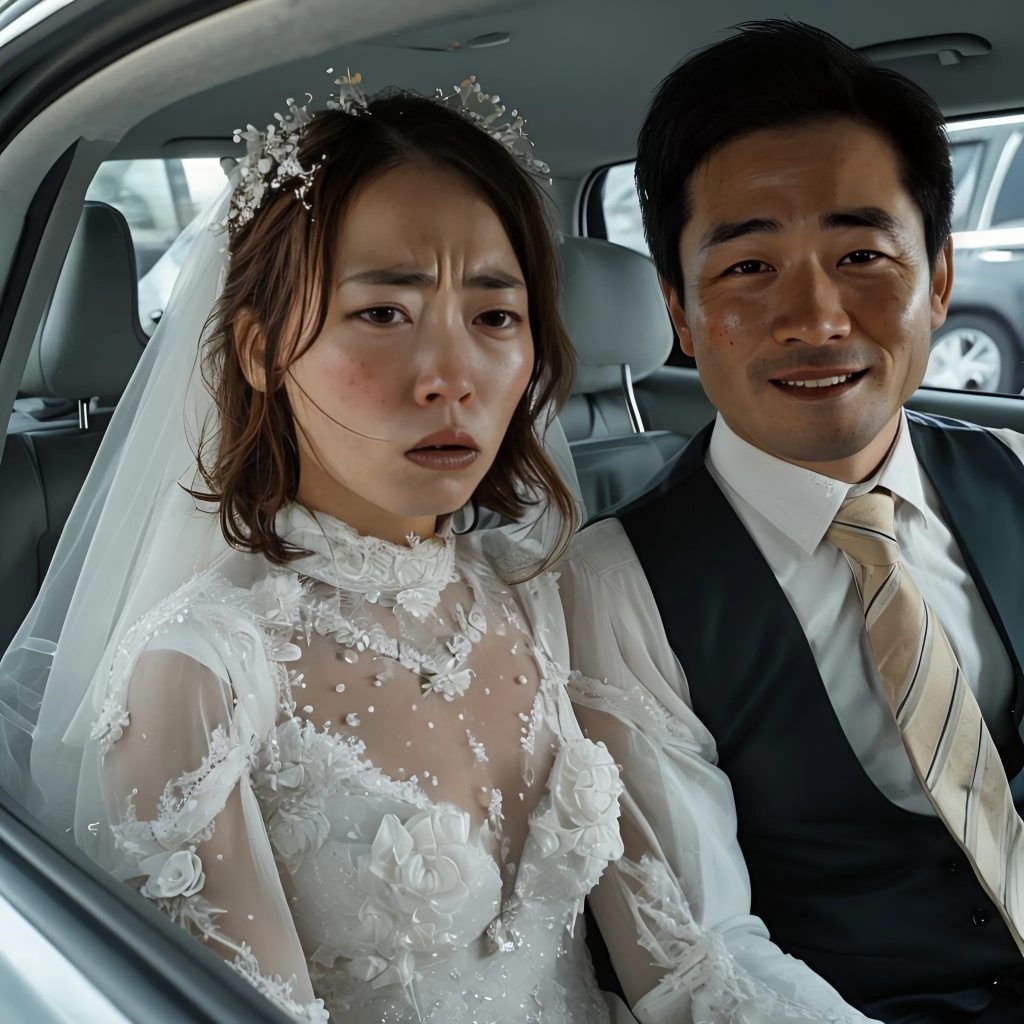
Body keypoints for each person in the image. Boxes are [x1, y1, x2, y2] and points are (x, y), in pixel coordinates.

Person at [0, 80, 633, 1023]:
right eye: (383, 313)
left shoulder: (537, 590)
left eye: (495, 317)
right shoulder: (197, 675)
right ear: (260, 350)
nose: (452, 377)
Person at [561, 20, 1024, 1024]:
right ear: (681, 315)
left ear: (939, 282)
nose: (815, 318)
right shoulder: (616, 585)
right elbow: (699, 958)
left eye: (861, 253)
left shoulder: (1011, 470)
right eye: (748, 268)